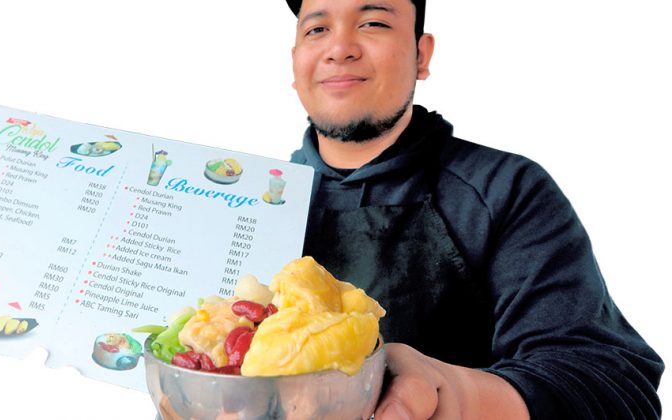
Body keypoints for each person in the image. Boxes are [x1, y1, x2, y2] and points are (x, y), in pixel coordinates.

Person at [284, 0, 664, 418]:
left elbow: (611, 385)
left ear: (421, 55)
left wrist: (454, 394)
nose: (340, 49)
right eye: (317, 30)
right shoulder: (254, 205)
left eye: (373, 22)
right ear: (295, 61)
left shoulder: (505, 190)